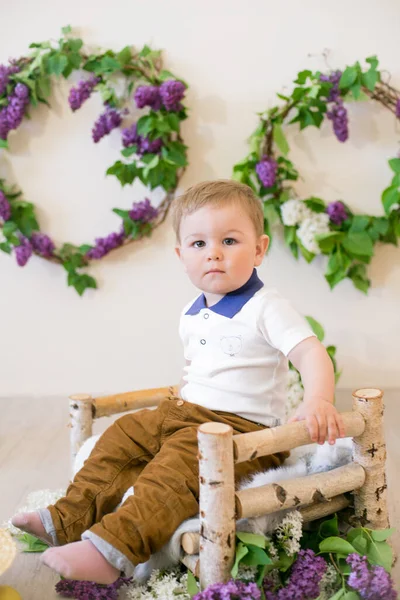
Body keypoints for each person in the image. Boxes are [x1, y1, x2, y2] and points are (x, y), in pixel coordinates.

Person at [12, 179, 344, 584]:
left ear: (259, 249)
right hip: (185, 414)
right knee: (124, 435)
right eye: (199, 244)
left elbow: (310, 352)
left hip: (240, 431)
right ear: (180, 254)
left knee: (178, 466)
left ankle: (112, 549)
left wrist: (319, 399)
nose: (214, 254)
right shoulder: (191, 310)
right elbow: (198, 372)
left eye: (229, 240)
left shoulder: (266, 307)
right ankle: (65, 519)